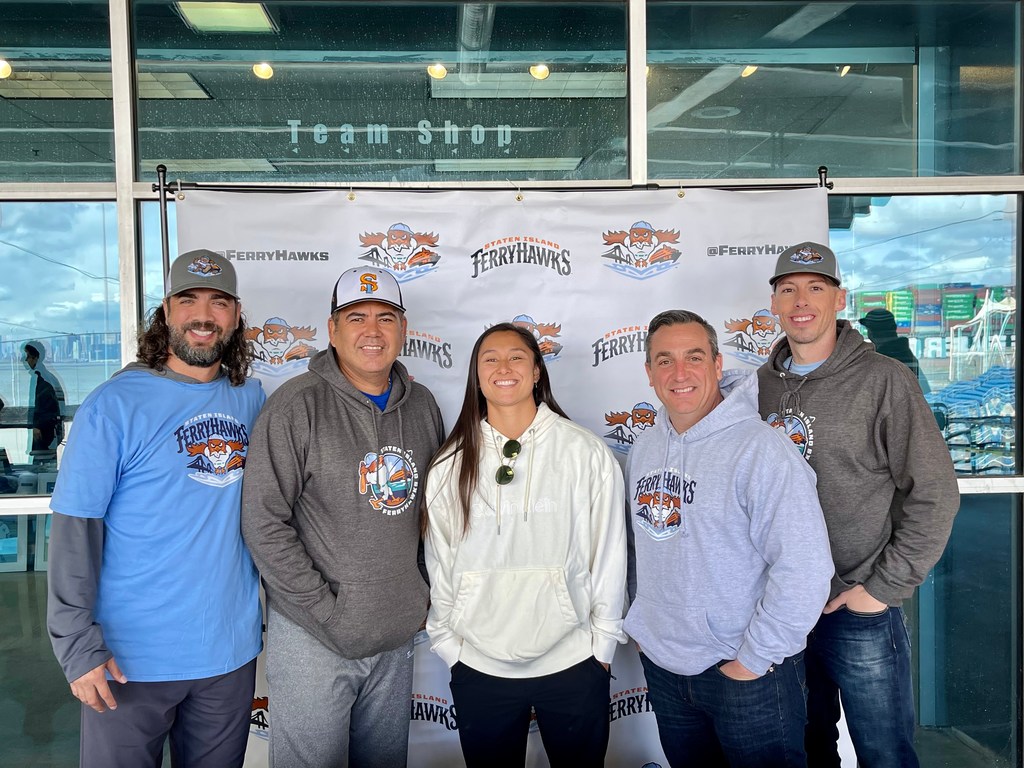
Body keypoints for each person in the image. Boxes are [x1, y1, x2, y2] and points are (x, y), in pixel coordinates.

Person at [46, 249, 265, 768]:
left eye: (218, 302)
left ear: (235, 315)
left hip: (228, 656)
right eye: (188, 300)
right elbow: (76, 532)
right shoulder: (114, 405)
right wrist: (77, 646)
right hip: (129, 661)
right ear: (166, 313)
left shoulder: (252, 400)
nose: (203, 315)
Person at [757, 242, 960, 767]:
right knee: (804, 749)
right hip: (780, 608)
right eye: (788, 290)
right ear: (775, 304)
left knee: (884, 754)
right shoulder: (755, 389)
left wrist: (881, 589)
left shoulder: (884, 381)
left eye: (816, 287)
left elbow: (935, 492)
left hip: (859, 607)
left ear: (839, 298)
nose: (801, 300)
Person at [241, 267, 444, 768]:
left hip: (395, 634)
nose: (371, 331)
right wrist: (328, 611)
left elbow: (434, 514)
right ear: (332, 330)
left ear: (403, 328)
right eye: (356, 317)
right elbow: (263, 523)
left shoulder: (422, 405)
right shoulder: (295, 405)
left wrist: (417, 592)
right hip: (314, 635)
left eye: (385, 317)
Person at [625, 310, 832, 768]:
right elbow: (639, 547)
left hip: (748, 674)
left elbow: (805, 566)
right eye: (664, 360)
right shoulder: (643, 447)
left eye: (694, 357)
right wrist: (644, 623)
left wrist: (754, 660)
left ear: (718, 365)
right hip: (665, 667)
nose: (680, 373)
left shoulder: (762, 449)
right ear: (649, 373)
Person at [423, 322, 626, 768]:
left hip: (574, 663)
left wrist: (602, 648)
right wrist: (449, 645)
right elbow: (440, 563)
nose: (503, 367)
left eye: (516, 356)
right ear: (477, 376)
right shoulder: (449, 465)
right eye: (489, 358)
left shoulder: (585, 452)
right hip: (479, 666)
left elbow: (609, 553)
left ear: (536, 371)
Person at [859, 308, 930, 393]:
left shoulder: (883, 358)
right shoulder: (904, 353)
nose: (869, 334)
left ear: (873, 333)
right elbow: (924, 389)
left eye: (869, 329)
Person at [23, 340, 65, 455]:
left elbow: (44, 406)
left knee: (41, 459)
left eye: (28, 356)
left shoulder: (42, 378)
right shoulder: (46, 376)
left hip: (44, 429)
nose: (25, 360)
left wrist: (37, 426)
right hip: (48, 428)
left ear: (36, 358)